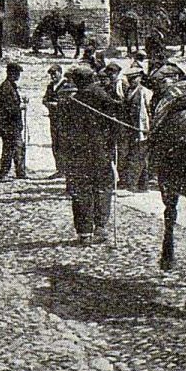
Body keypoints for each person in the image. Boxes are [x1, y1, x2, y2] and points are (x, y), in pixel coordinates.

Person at [58, 65, 124, 244]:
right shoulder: (103, 95)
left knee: (81, 191)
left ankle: (84, 232)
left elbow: (63, 130)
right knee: (102, 188)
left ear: (79, 81)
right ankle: (100, 226)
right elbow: (116, 122)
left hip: (79, 154)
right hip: (100, 151)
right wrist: (111, 143)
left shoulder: (73, 101)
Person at [0, 62, 27, 181]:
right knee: (10, 149)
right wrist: (20, 107)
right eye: (16, 73)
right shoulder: (6, 87)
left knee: (16, 148)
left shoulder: (11, 86)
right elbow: (7, 108)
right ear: (11, 73)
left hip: (12, 124)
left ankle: (19, 172)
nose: (18, 76)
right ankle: (4, 174)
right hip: (8, 125)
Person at [123, 67, 152, 192]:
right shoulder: (129, 91)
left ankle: (133, 184)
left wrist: (148, 128)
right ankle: (142, 184)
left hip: (141, 128)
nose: (131, 81)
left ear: (140, 78)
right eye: (130, 79)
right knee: (138, 155)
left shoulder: (145, 92)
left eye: (134, 78)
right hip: (130, 127)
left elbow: (149, 111)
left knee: (138, 155)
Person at [42, 64, 67, 179]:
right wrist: (47, 103)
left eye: (54, 73)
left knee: (64, 143)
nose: (52, 76)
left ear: (60, 73)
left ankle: (66, 169)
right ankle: (60, 168)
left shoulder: (66, 85)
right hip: (53, 118)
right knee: (55, 143)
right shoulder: (50, 86)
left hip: (64, 119)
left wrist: (57, 104)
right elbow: (45, 99)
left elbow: (69, 102)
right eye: (51, 74)